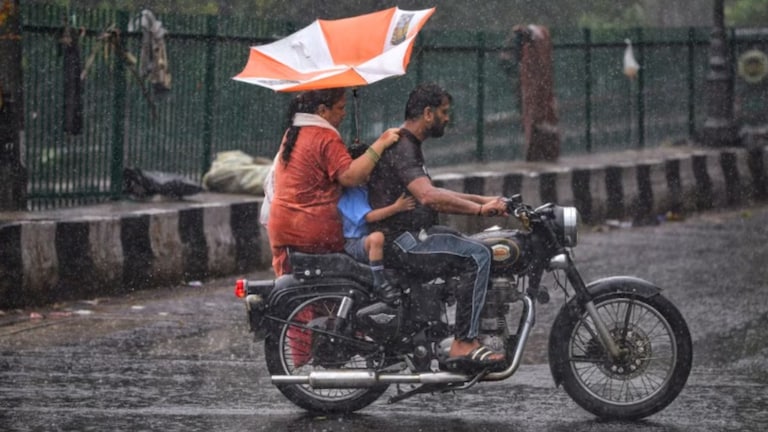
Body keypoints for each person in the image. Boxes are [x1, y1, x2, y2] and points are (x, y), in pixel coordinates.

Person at [367, 83, 510, 372]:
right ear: (428, 113)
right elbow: (428, 196)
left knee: (467, 241)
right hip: (403, 240)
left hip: (414, 235)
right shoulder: (402, 147)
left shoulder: (410, 146)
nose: (447, 118)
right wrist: (479, 210)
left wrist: (483, 199)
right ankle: (464, 342)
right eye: (444, 112)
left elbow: (431, 191)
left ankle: (442, 327)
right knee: (478, 255)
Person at [266, 88, 400, 277]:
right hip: (313, 229)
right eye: (340, 108)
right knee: (337, 286)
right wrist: (381, 143)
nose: (344, 113)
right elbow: (351, 177)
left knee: (301, 288)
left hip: (281, 226)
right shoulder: (324, 136)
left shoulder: (293, 132)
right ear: (322, 111)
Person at [338, 144, 416, 304]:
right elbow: (369, 217)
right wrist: (396, 208)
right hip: (353, 243)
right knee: (377, 238)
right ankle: (379, 282)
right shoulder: (352, 193)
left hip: (363, 240)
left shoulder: (365, 187)